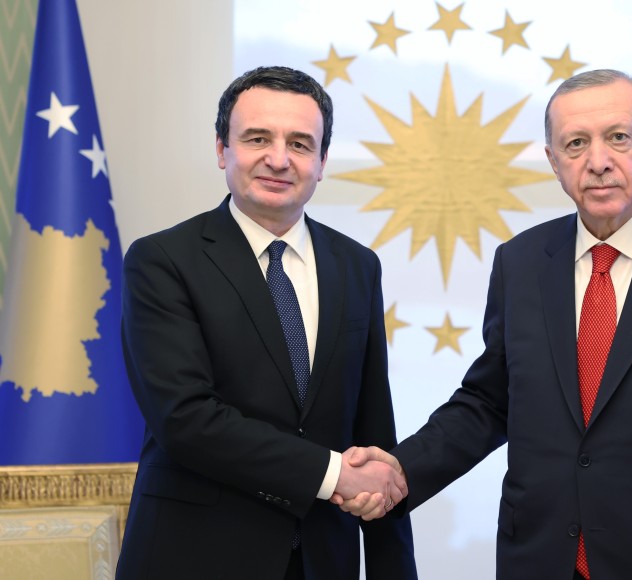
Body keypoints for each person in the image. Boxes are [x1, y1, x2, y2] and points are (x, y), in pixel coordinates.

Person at [337, 69, 632, 579]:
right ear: (554, 161)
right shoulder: (521, 262)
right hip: (541, 561)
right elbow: (489, 401)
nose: (598, 161)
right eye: (576, 143)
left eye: (618, 137)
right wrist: (402, 470)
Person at [116, 66, 417, 580]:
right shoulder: (162, 260)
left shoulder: (357, 265)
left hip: (324, 559)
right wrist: (333, 474)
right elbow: (185, 419)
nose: (279, 159)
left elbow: (373, 431)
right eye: (257, 139)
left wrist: (394, 568)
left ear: (322, 162)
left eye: (300, 144)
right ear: (222, 149)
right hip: (194, 558)